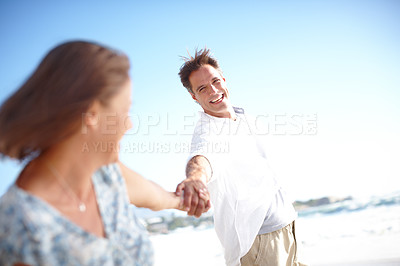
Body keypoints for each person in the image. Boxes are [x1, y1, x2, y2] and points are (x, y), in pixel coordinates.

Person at [0, 40, 208, 266]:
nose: (129, 125)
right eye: (126, 110)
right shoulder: (19, 227)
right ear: (91, 115)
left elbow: (160, 198)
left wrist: (189, 196)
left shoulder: (106, 174)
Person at [176, 49, 307, 266]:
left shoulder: (244, 117)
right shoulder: (208, 131)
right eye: (202, 88)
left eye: (215, 81)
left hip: (287, 225)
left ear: (224, 79)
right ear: (194, 97)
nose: (213, 91)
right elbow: (202, 157)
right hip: (258, 241)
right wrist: (195, 179)